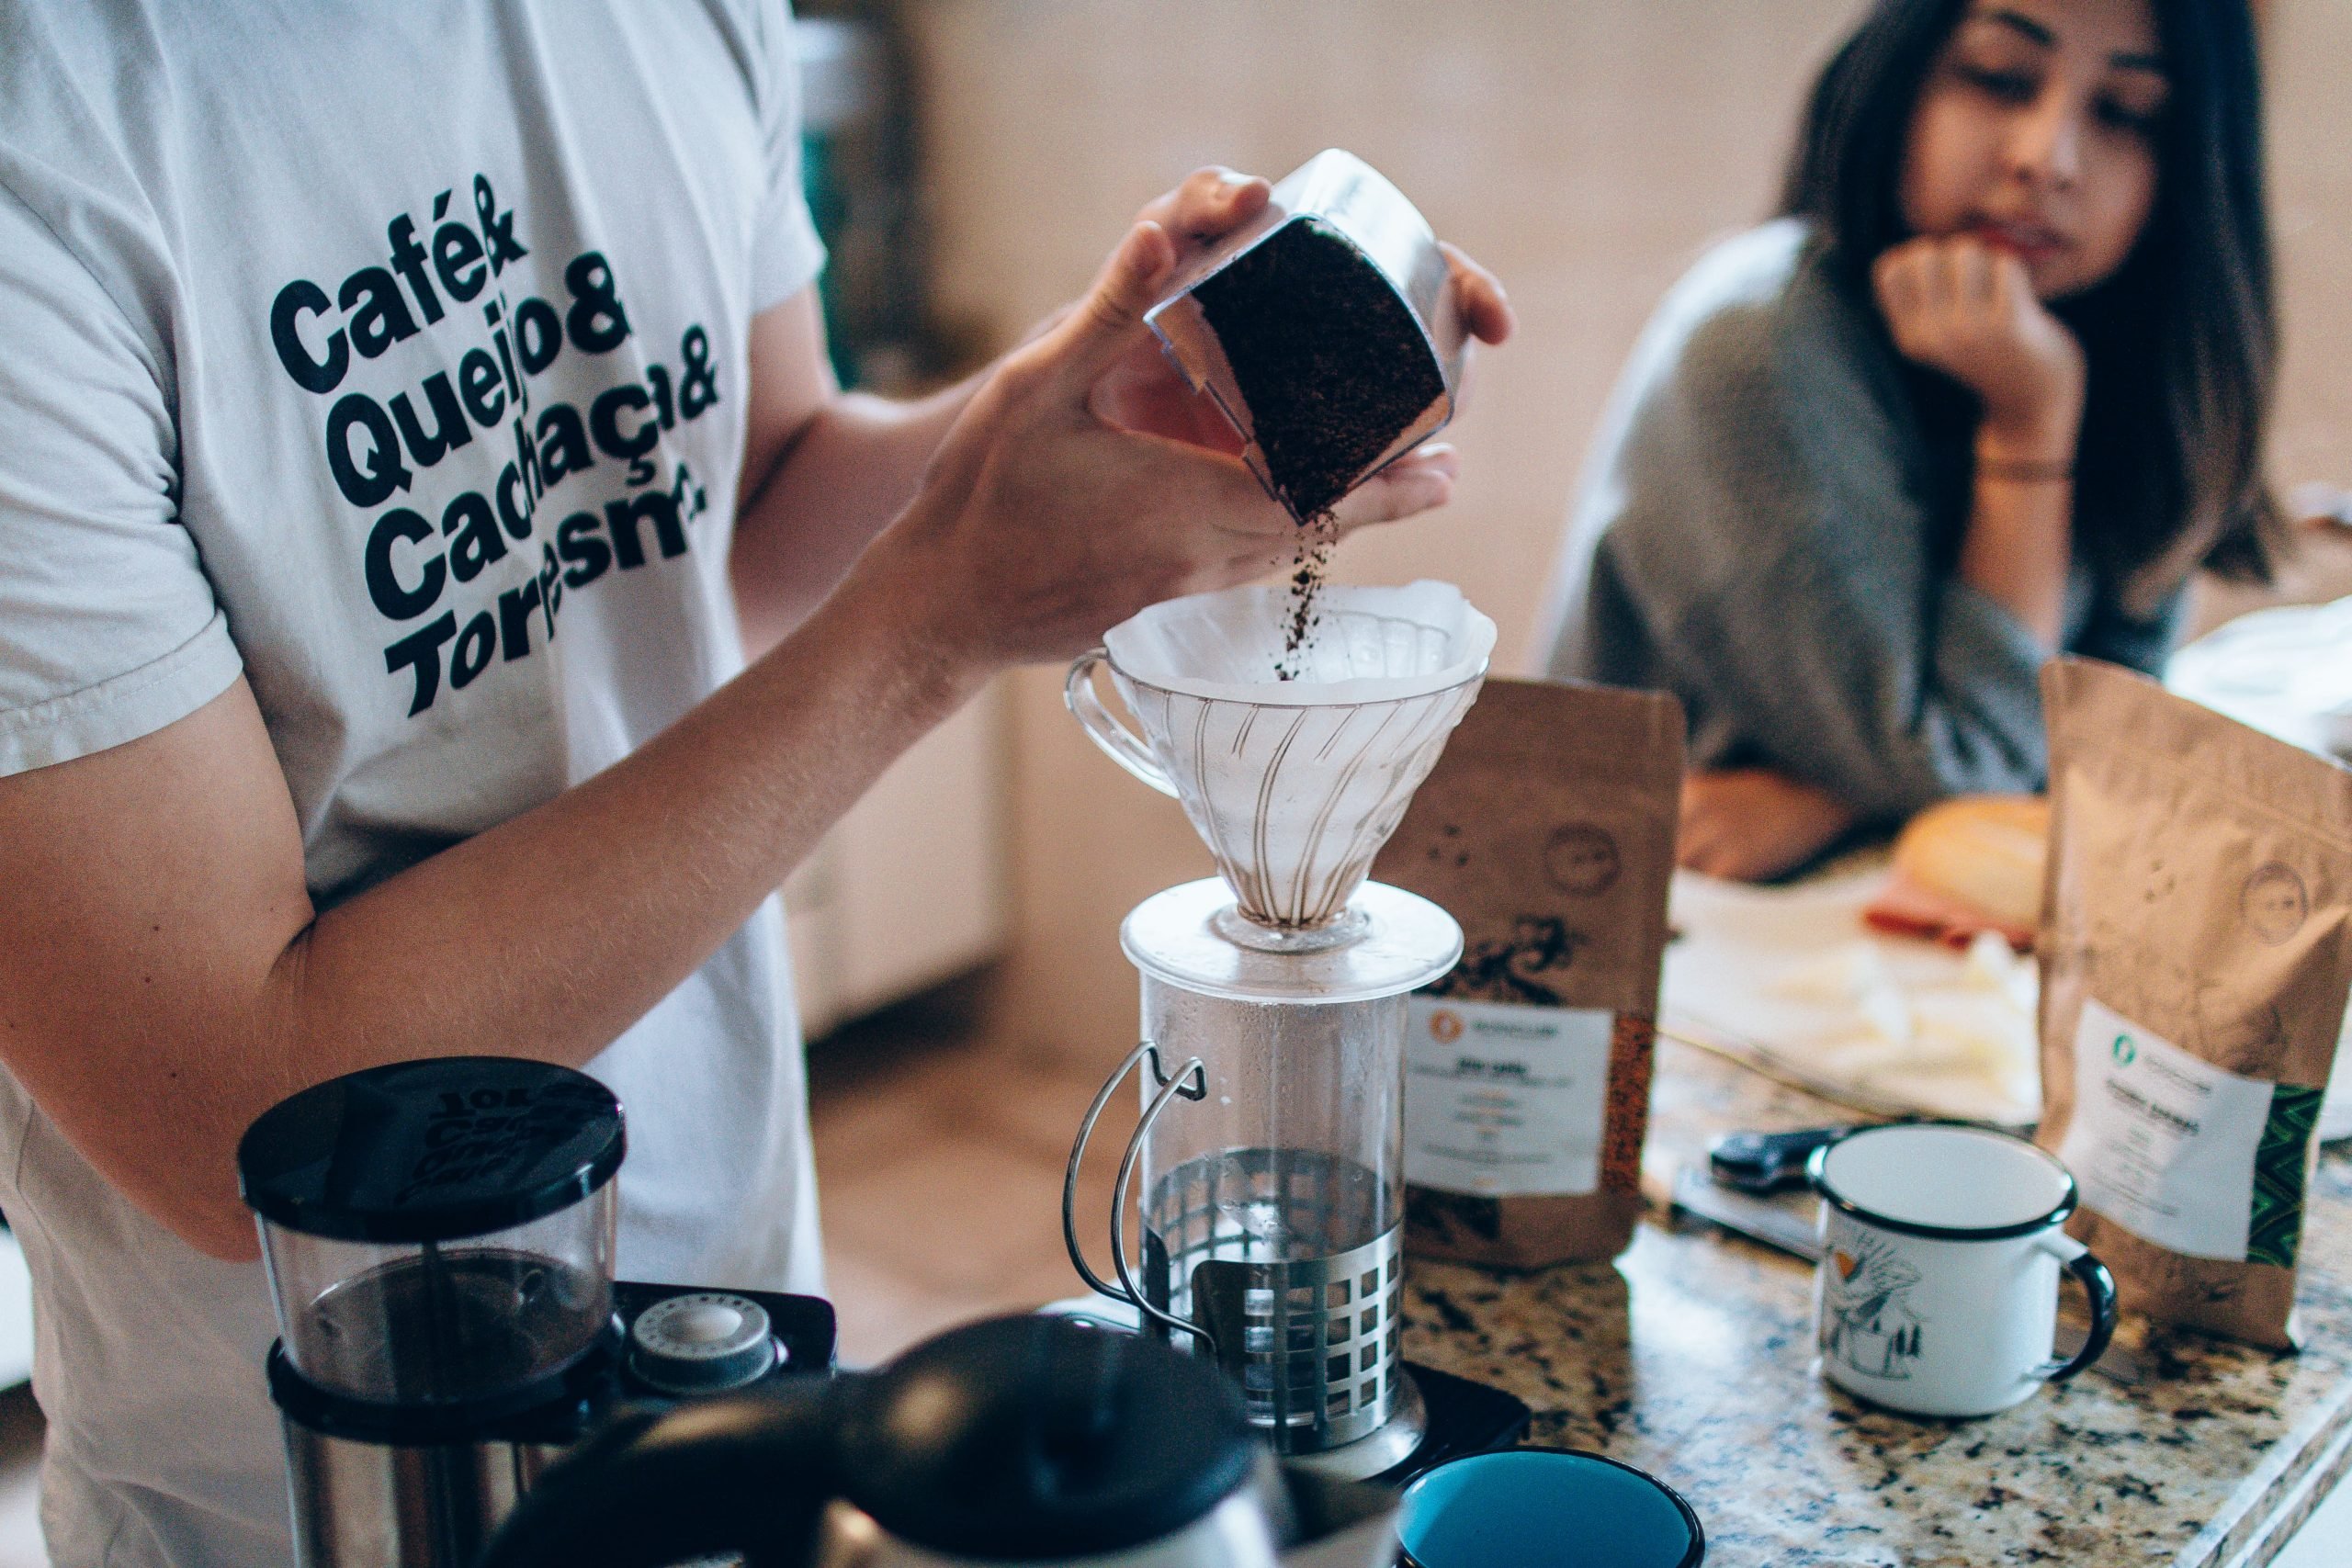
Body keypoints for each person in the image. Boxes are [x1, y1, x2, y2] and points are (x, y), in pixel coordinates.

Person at [0, 4, 1512, 1562]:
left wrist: (1068, 405)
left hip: (734, 1360)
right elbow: (238, 1110)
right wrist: (932, 622)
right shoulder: (49, 133)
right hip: (324, 1491)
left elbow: (766, 491)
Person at [1534, 0, 2276, 880]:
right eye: (2000, 79)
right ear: (1901, 71)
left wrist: (1828, 797)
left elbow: (2106, 741)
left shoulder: (2106, 348)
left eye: (2124, 114)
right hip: (1632, 941)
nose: (2047, 158)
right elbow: (1974, 765)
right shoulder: (1757, 343)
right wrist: (2030, 428)